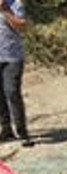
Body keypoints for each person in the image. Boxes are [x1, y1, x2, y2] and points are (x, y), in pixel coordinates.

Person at [0, 0, 27, 146]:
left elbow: (22, 26)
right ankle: (6, 130)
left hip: (12, 57)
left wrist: (5, 11)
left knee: (11, 91)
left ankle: (22, 131)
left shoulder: (16, 4)